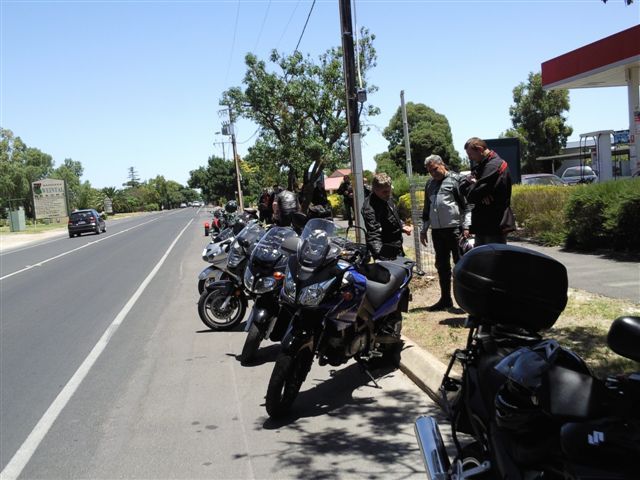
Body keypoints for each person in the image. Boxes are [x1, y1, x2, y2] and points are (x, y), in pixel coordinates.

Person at [420, 155, 472, 311]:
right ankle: (445, 300)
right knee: (442, 266)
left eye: (435, 169)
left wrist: (466, 226)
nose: (433, 173)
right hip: (437, 232)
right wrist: (423, 230)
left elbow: (467, 206)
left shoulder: (457, 180)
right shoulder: (429, 184)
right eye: (430, 171)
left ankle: (465, 302)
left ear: (442, 164)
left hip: (455, 230)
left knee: (460, 265)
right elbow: (427, 210)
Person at [463, 137, 515, 246]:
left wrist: (475, 185)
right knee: (482, 255)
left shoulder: (494, 165)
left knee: (493, 256)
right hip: (483, 224)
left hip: (494, 225)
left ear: (480, 149)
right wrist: (476, 186)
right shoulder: (482, 165)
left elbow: (473, 195)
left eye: (470, 154)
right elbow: (463, 188)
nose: (469, 158)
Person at [361, 172, 412, 260]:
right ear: (375, 190)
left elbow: (392, 215)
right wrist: (381, 257)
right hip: (386, 251)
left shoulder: (386, 197)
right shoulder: (370, 209)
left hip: (396, 246)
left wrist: (402, 226)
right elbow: (373, 235)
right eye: (384, 192)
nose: (388, 194)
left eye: (389, 190)